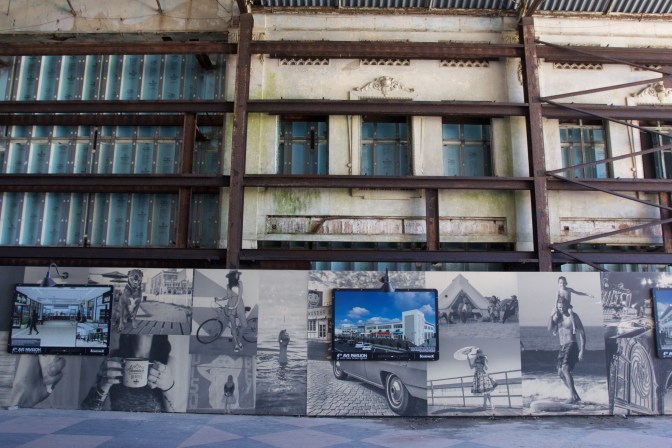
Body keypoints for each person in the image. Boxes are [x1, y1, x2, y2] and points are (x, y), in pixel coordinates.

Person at [81, 334, 178, 412]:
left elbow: (175, 417)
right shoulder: (113, 359)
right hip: (118, 428)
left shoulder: (166, 363)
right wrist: (103, 386)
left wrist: (168, 387)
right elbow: (86, 411)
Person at [548, 299, 586, 404]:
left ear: (567, 305)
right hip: (562, 347)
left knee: (565, 368)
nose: (561, 309)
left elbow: (582, 333)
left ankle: (573, 396)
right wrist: (551, 316)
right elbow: (550, 328)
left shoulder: (573, 317)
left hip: (571, 344)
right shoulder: (557, 317)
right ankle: (576, 396)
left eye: (563, 307)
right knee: (560, 373)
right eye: (559, 307)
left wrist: (582, 350)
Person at [214, 270, 248, 353]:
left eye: (238, 274)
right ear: (233, 276)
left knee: (244, 325)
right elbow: (228, 296)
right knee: (233, 326)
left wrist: (235, 306)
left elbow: (240, 296)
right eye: (236, 274)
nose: (238, 275)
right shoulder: (228, 285)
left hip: (239, 305)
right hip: (230, 305)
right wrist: (220, 299)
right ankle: (236, 344)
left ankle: (239, 340)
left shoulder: (240, 283)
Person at [467, 347, 497, 417]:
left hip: (483, 375)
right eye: (477, 354)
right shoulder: (475, 360)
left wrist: (485, 361)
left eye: (479, 353)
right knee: (486, 392)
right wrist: (468, 359)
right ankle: (490, 405)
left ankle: (486, 405)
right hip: (478, 376)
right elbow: (471, 367)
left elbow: (487, 368)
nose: (478, 355)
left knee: (486, 391)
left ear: (481, 353)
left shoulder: (484, 358)